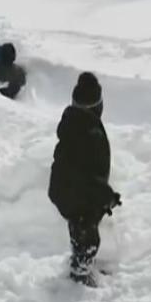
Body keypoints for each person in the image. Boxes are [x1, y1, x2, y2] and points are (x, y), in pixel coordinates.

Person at [49, 73, 121, 287]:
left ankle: (79, 263)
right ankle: (79, 275)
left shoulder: (74, 122)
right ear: (97, 106)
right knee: (88, 237)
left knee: (79, 228)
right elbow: (87, 176)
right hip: (77, 192)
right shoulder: (90, 133)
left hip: (63, 188)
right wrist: (107, 196)